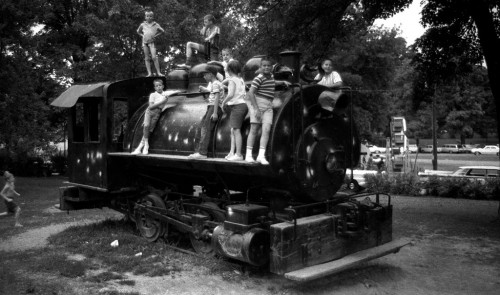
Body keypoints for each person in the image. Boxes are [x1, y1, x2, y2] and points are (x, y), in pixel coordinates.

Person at [245, 57, 290, 164]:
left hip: (268, 106)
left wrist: (282, 82)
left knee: (266, 130)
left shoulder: (270, 77)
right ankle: (248, 155)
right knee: (254, 130)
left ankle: (261, 156)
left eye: (268, 66)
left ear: (271, 67)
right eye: (264, 66)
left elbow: (272, 83)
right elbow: (251, 93)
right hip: (259, 105)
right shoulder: (258, 78)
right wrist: (255, 109)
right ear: (260, 67)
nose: (266, 67)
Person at [132, 79, 178, 155]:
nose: (158, 87)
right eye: (156, 86)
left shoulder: (165, 94)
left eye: (160, 85)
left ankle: (139, 148)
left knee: (150, 130)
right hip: (150, 112)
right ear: (155, 88)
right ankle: (146, 145)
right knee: (146, 126)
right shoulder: (153, 95)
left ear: (163, 86)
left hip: (157, 113)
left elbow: (175, 91)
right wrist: (162, 102)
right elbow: (151, 106)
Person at [188, 65, 223, 159]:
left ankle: (202, 153)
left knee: (206, 128)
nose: (204, 77)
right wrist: (205, 92)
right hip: (210, 107)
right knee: (201, 127)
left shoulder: (216, 83)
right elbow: (212, 97)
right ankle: (198, 151)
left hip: (214, 108)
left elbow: (217, 98)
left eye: (205, 75)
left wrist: (215, 112)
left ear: (210, 74)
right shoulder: (214, 84)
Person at [221, 60, 248, 161]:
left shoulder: (232, 80)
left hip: (237, 106)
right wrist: (223, 83)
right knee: (233, 130)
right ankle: (232, 152)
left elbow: (231, 94)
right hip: (242, 105)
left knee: (236, 130)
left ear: (229, 69)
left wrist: (224, 102)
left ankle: (239, 154)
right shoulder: (240, 79)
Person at [137, 9, 165, 77]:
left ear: (152, 17)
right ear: (145, 17)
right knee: (147, 58)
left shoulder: (156, 24)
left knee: (154, 57)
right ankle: (149, 73)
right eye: (147, 16)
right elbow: (138, 31)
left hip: (152, 42)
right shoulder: (143, 24)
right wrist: (142, 35)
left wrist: (155, 36)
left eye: (150, 16)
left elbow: (162, 31)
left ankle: (158, 72)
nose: (149, 17)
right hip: (145, 42)